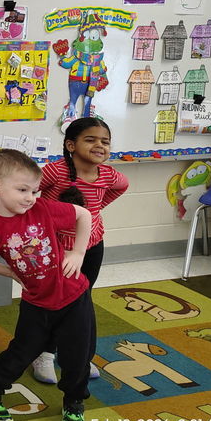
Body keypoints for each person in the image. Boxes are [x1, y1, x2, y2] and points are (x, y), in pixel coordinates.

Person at [0, 149, 93, 421]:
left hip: (74, 296)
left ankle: (74, 402)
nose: (30, 197)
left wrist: (78, 252)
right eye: (23, 190)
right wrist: (10, 273)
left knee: (77, 355)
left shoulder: (42, 208)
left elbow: (84, 214)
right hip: (37, 302)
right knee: (22, 351)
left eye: (35, 191)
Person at [32, 117, 128, 385]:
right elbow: (28, 192)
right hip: (55, 248)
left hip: (90, 246)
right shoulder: (56, 171)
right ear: (71, 145)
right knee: (54, 300)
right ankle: (45, 353)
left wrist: (93, 211)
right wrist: (42, 218)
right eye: (91, 139)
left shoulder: (108, 175)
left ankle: (77, 355)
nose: (100, 145)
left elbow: (122, 186)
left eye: (105, 141)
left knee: (81, 300)